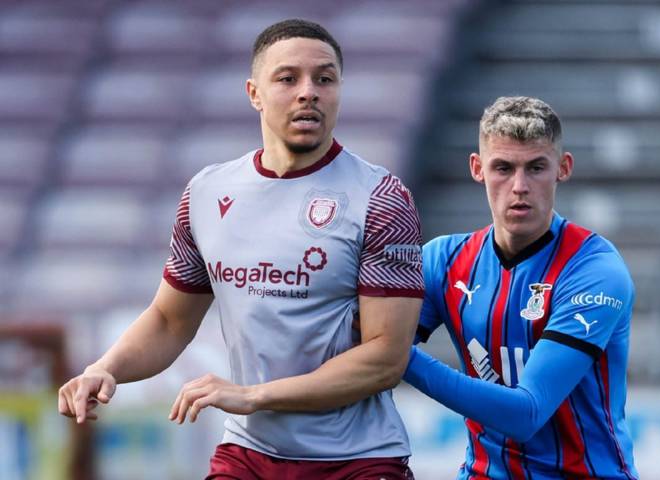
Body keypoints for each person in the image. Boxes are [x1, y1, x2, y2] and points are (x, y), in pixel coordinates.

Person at [58, 19, 422, 479]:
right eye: (288, 78)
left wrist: (254, 395)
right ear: (254, 93)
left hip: (358, 460)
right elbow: (170, 321)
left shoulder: (381, 198)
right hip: (248, 454)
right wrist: (105, 368)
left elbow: (386, 358)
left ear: (339, 91)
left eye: (324, 79)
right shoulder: (208, 192)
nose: (308, 92)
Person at [404, 97, 638, 479]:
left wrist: (399, 357)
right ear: (477, 169)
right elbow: (365, 342)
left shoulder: (594, 270)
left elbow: (525, 413)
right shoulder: (443, 261)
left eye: (535, 168)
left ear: (563, 169)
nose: (519, 186)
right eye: (503, 168)